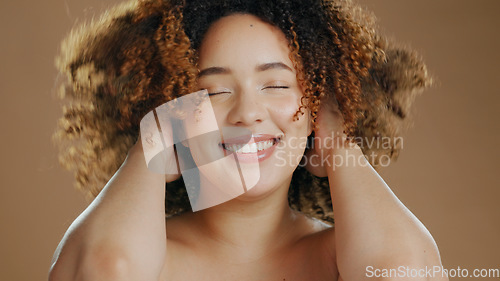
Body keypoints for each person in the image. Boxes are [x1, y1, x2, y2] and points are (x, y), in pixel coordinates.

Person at [49, 0, 447, 280]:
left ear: (318, 110)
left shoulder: (339, 261)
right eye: (216, 91)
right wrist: (149, 148)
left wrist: (337, 143)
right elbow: (105, 269)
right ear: (176, 112)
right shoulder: (148, 261)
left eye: (275, 85)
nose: (247, 112)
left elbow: (401, 272)